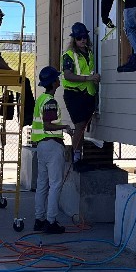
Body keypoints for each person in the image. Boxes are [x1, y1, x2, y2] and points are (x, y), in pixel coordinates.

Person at [31, 66, 68, 234]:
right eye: (57, 79)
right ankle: (51, 221)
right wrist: (66, 126)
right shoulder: (51, 101)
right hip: (52, 145)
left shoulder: (41, 99)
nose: (59, 80)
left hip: (41, 146)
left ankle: (39, 219)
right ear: (53, 83)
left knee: (42, 185)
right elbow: (48, 124)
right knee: (55, 184)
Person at [60, 21, 102, 167]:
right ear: (74, 39)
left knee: (83, 126)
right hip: (74, 94)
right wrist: (88, 78)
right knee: (79, 126)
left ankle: (78, 154)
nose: (82, 40)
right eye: (79, 38)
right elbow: (68, 75)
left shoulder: (89, 53)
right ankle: (76, 157)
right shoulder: (69, 55)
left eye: (84, 37)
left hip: (88, 93)